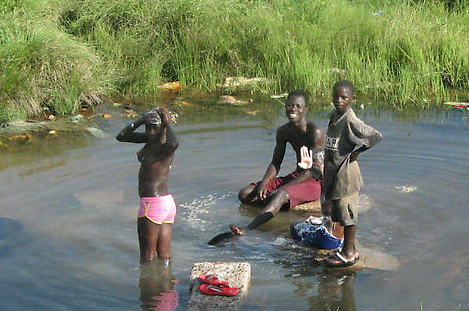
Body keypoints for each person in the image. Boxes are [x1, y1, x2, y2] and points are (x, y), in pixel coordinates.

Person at [208, 90, 325, 245]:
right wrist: (263, 184)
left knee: (280, 194)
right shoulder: (284, 131)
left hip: (314, 181)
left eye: (298, 106)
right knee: (245, 194)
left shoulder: (315, 133)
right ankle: (276, 211)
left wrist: (282, 189)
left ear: (305, 110)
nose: (293, 109)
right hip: (297, 176)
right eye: (290, 105)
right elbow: (276, 162)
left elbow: (315, 171)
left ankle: (249, 229)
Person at [321, 80, 382, 267]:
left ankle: (349, 253)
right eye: (336, 96)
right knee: (338, 213)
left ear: (352, 99)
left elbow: (374, 135)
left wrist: (356, 152)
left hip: (346, 175)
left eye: (344, 97)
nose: (339, 100)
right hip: (334, 172)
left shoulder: (349, 119)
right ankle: (350, 247)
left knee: (348, 215)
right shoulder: (335, 115)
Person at [117, 107, 179, 264]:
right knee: (164, 255)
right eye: (148, 127)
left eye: (154, 127)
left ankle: (148, 287)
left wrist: (166, 122)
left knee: (147, 256)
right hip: (165, 204)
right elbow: (121, 136)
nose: (150, 131)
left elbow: (174, 143)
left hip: (151, 204)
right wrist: (141, 120)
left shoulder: (165, 147)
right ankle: (167, 287)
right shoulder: (150, 140)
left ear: (162, 128)